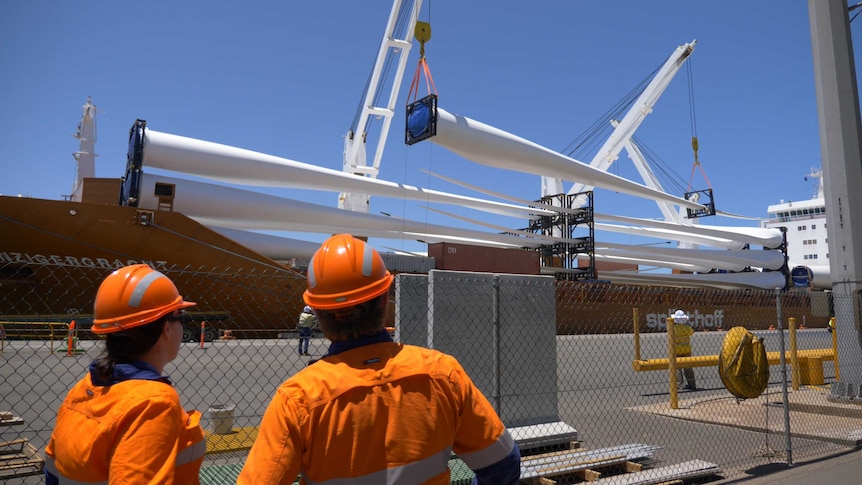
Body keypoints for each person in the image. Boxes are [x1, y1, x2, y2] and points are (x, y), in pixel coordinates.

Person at [239, 234, 521, 484]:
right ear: (385, 299)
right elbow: (504, 464)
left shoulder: (298, 400)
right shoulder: (442, 374)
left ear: (318, 314)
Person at [45, 264, 205, 484]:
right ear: (166, 329)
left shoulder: (84, 389)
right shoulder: (153, 403)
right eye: (181, 318)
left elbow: (53, 473)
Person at [672, 309, 697, 390]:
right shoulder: (687, 328)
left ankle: (679, 384)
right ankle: (691, 383)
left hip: (677, 350)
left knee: (677, 368)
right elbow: (692, 332)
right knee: (688, 367)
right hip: (687, 349)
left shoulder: (673, 328)